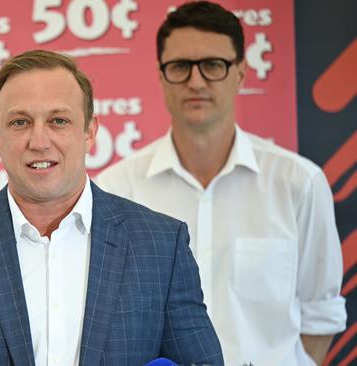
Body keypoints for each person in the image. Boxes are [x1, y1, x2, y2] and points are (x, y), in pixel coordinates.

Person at [0, 50, 223, 365]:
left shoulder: (162, 244)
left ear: (90, 131)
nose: (39, 141)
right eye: (20, 122)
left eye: (58, 121)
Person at [96, 2, 346, 365]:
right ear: (161, 74)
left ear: (241, 73)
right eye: (180, 66)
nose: (196, 82)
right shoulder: (117, 189)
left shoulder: (298, 184)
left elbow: (321, 315)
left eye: (213, 65)